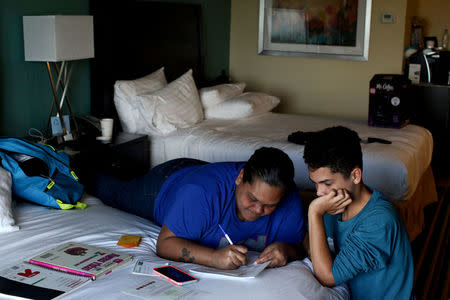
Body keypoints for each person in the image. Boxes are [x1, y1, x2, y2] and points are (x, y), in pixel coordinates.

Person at [92, 147, 306, 270]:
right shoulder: (201, 192)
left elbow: (302, 246)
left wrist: (287, 250)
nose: (258, 209)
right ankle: (74, 163)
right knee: (109, 190)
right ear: (240, 178)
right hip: (166, 184)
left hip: (200, 173)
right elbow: (165, 244)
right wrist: (213, 258)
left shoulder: (289, 200)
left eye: (269, 205)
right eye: (252, 198)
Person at [303, 126, 414, 299]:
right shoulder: (333, 204)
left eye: (326, 183)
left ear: (355, 175)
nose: (318, 193)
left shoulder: (379, 221)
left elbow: (328, 277)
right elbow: (309, 240)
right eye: (315, 183)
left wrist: (314, 212)